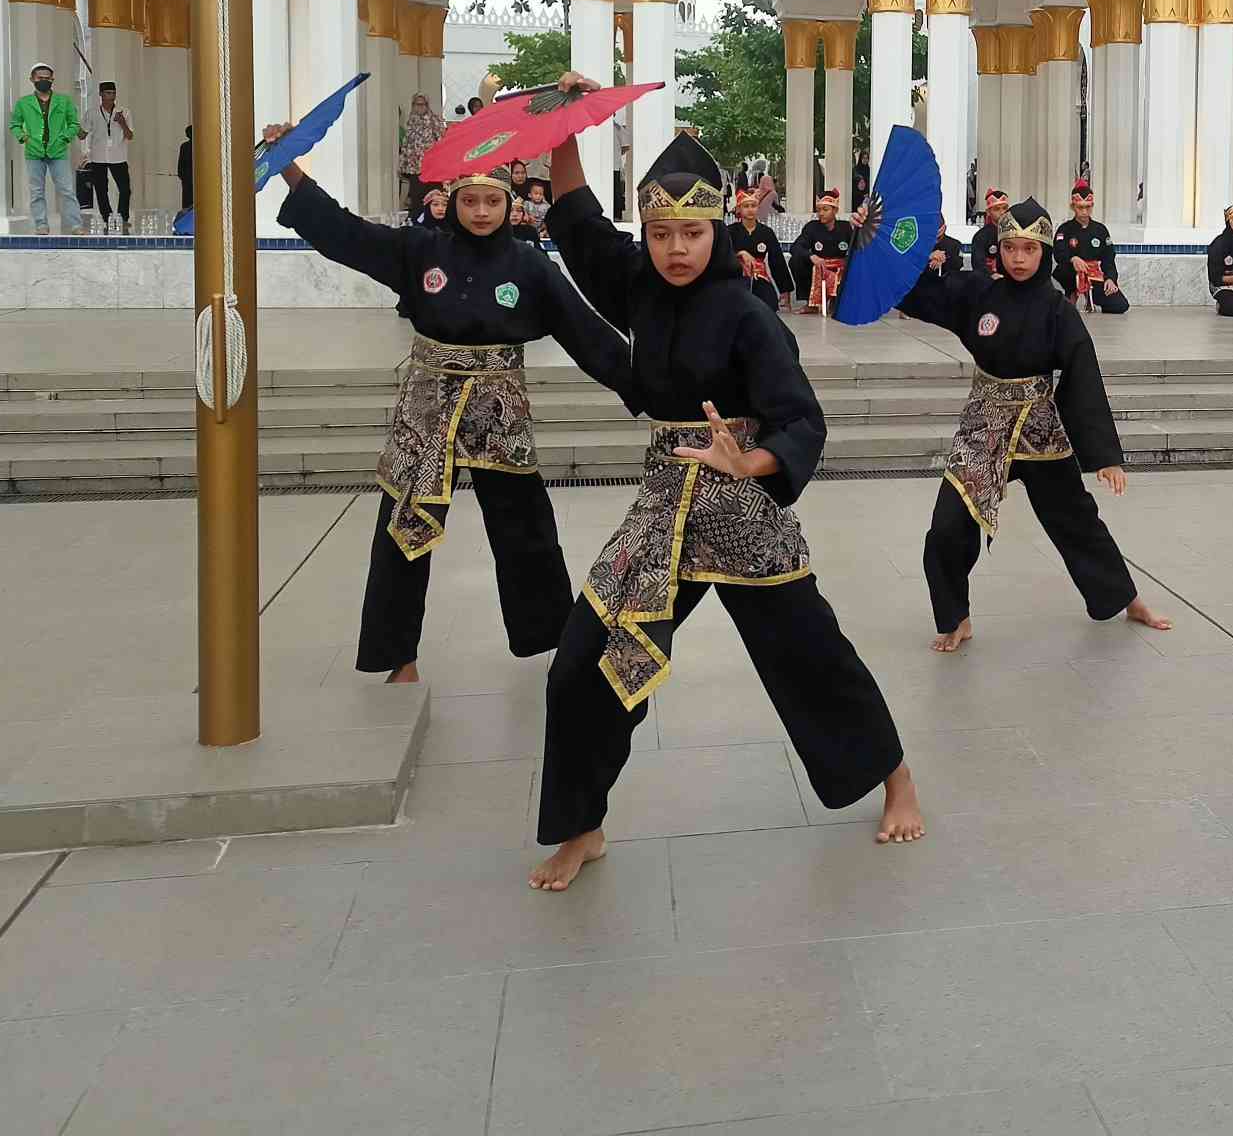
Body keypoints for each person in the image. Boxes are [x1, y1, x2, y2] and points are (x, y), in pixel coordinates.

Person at [530, 111, 923, 890]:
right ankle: (583, 825)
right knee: (583, 660)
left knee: (810, 656)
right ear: (646, 230)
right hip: (662, 504)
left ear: (718, 231)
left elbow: (802, 416)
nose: (677, 248)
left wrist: (754, 462)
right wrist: (562, 134)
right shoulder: (636, 279)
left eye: (693, 233)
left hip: (744, 508)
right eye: (663, 231)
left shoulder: (748, 312)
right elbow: (575, 225)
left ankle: (897, 781)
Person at [272, 137, 633, 684]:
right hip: (427, 411)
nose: (482, 212)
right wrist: (291, 171)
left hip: (498, 411)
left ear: (510, 203)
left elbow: (590, 338)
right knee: (403, 526)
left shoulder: (530, 267)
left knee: (526, 529)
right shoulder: (420, 251)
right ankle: (399, 657)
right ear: (454, 200)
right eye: (471, 201)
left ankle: (553, 643)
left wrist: (656, 389)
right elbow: (345, 234)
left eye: (493, 201)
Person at [897, 196, 1169, 653]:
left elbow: (1083, 374)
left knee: (1075, 519)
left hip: (1038, 426)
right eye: (1010, 248)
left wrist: (1103, 455)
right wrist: (875, 242)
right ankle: (956, 617)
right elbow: (918, 292)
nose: (1019, 258)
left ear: (1045, 252)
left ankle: (1128, 599)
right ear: (998, 250)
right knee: (948, 523)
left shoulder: (1057, 309)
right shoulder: (977, 293)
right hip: (983, 426)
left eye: (1029, 249)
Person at [10, 62, 85, 236]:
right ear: (32, 79)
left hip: (58, 151)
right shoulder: (24, 103)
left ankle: (75, 225)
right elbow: (14, 125)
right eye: (39, 78)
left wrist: (64, 137)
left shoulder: (63, 101)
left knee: (66, 189)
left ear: (52, 79)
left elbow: (74, 124)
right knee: (37, 191)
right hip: (34, 152)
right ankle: (41, 224)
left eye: (47, 78)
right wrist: (25, 137)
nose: (43, 81)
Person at [1050, 181, 1129, 313]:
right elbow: (1058, 253)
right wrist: (1073, 258)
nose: (1084, 211)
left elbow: (1108, 258)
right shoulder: (1064, 229)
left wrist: (1110, 278)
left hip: (1093, 276)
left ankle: (1090, 297)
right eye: (1080, 207)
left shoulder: (1101, 230)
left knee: (1120, 305)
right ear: (1072, 207)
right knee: (1063, 301)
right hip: (1071, 275)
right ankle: (1072, 294)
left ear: (1092, 206)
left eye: (1088, 207)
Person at [788, 188, 856, 313]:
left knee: (855, 265)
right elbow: (796, 247)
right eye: (819, 210)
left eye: (825, 210)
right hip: (818, 266)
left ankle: (838, 299)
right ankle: (810, 303)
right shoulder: (812, 227)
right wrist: (811, 256)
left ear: (835, 210)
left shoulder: (846, 227)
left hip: (839, 269)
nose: (821, 214)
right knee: (796, 261)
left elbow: (856, 248)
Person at [727, 185, 795, 310]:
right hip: (736, 275)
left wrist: (785, 290)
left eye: (753, 206)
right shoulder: (730, 231)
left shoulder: (766, 232)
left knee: (769, 302)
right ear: (739, 209)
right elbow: (722, 253)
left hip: (759, 274)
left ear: (758, 208)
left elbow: (777, 260)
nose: (750, 210)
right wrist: (740, 253)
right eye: (746, 206)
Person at [80, 79, 134, 232]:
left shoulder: (125, 112)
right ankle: (107, 217)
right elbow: (82, 135)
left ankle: (123, 218)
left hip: (119, 156)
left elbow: (130, 136)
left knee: (125, 189)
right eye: (108, 93)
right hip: (98, 157)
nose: (111, 96)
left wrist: (122, 122)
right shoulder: (92, 113)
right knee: (101, 189)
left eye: (113, 93)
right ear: (101, 95)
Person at [400, 92, 446, 211]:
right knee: (417, 199)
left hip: (431, 169)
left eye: (423, 104)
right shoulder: (411, 122)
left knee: (433, 198)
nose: (420, 107)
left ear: (427, 105)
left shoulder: (434, 121)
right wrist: (403, 166)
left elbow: (442, 141)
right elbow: (407, 145)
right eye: (417, 104)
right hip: (415, 170)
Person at [970, 189, 1010, 279]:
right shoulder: (981, 236)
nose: (1002, 212)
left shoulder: (1014, 233)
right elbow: (978, 264)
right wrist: (991, 274)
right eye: (997, 209)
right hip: (989, 282)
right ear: (988, 212)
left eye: (1005, 208)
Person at [175, 124, 194, 216]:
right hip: (192, 179)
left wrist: (182, 176)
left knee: (187, 203)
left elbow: (180, 165)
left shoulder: (184, 146)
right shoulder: (198, 145)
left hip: (186, 179)